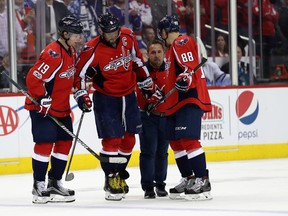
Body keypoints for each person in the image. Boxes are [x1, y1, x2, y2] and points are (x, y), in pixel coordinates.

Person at [74, 12, 155, 201]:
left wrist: (147, 80)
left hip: (129, 95)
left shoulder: (127, 37)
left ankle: (118, 173)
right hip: (106, 99)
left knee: (129, 140)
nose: (112, 36)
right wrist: (81, 95)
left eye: (114, 31)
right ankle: (110, 178)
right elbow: (79, 76)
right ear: (101, 31)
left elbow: (136, 60)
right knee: (112, 140)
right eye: (108, 32)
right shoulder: (91, 49)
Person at [24, 15, 92, 204]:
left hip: (61, 108)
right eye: (76, 34)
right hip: (43, 109)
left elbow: (73, 77)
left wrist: (81, 95)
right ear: (65, 34)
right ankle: (38, 185)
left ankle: (54, 182)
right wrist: (42, 98)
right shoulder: (53, 53)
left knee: (64, 144)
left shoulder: (71, 50)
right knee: (45, 144)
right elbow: (33, 78)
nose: (79, 38)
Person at [157, 15, 212, 201]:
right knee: (175, 141)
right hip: (174, 102)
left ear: (164, 32)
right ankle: (189, 178)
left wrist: (186, 77)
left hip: (189, 99)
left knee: (188, 140)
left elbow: (188, 67)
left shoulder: (182, 41)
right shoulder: (171, 50)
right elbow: (173, 76)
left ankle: (202, 180)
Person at [136, 39, 169, 199]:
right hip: (147, 117)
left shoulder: (170, 71)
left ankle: (161, 183)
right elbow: (137, 92)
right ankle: (148, 186)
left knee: (162, 153)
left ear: (164, 53)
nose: (156, 56)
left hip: (166, 117)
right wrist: (146, 102)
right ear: (147, 55)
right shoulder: (142, 72)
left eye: (159, 52)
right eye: (153, 52)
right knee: (148, 152)